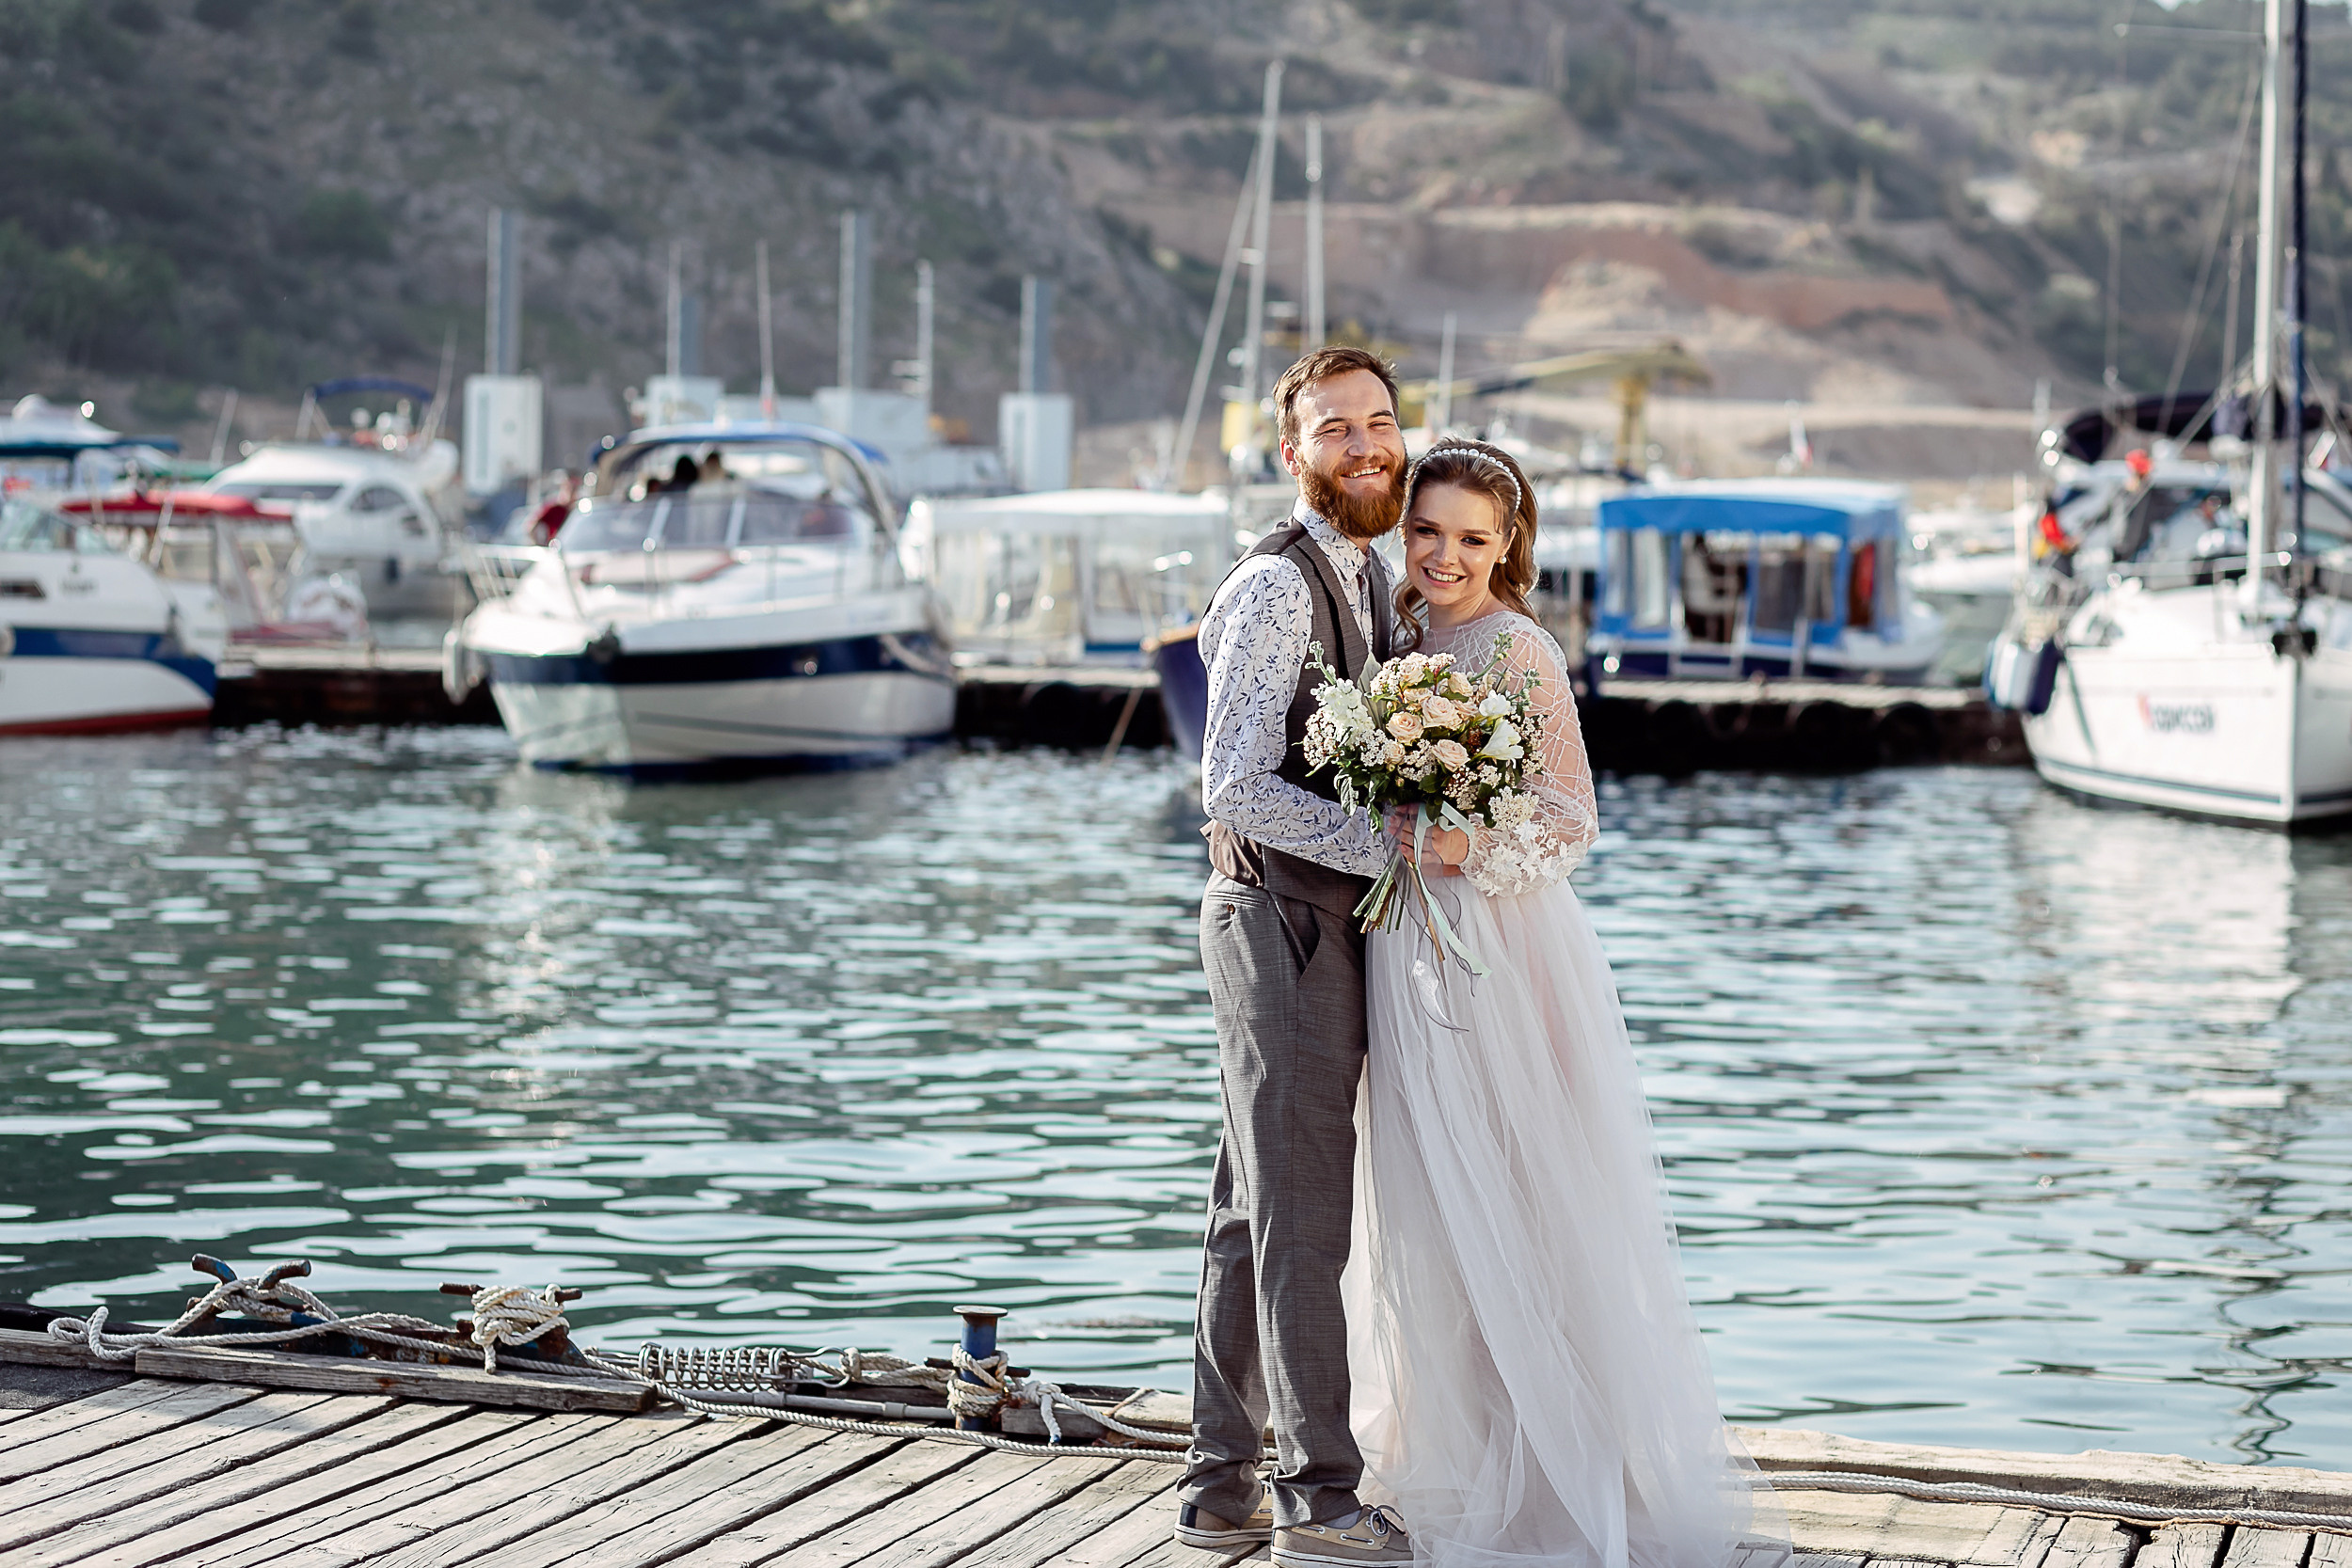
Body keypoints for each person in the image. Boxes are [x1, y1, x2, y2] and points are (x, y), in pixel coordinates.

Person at [1345, 436, 1784, 1567]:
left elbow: (1573, 819)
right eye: (1428, 530)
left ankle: (1555, 1469)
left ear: (1508, 547)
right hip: (1404, 957)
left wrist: (1456, 839)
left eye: (1471, 538)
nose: (1444, 554)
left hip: (1499, 951)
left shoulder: (1519, 648)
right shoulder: (1392, 638)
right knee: (1428, 1204)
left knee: (1522, 1199)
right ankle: (1447, 1446)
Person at [1181, 345, 1417, 1567]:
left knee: (1253, 1204)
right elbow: (1227, 781)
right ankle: (1319, 1493)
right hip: (1277, 920)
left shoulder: (1367, 575)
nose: (1366, 445)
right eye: (1336, 429)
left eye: (1381, 423)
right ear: (1293, 452)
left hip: (1317, 920)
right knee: (1303, 1211)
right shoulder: (1277, 585)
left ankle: (1217, 1479)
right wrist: (1389, 839)